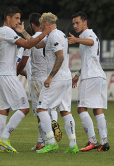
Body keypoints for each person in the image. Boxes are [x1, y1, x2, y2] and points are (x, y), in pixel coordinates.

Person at [0, 6, 51, 153]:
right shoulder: (7, 31)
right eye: (16, 18)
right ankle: (4, 138)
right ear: (8, 18)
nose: (18, 21)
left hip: (0, 75)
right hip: (8, 75)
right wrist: (45, 33)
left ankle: (0, 145)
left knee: (3, 109)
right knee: (24, 108)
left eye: (19, 18)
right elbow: (28, 44)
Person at [26, 12, 78, 153]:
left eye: (41, 24)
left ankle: (50, 142)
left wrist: (50, 77)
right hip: (66, 77)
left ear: (46, 24)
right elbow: (37, 45)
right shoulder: (58, 34)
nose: (40, 26)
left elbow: (59, 57)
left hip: (57, 78)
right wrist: (23, 33)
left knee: (41, 109)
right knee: (65, 111)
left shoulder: (54, 36)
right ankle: (73, 144)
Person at [16, 13, 61, 151]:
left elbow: (23, 61)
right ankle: (54, 121)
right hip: (50, 78)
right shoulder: (52, 36)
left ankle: (43, 141)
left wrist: (15, 73)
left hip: (36, 79)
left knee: (39, 113)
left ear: (32, 25)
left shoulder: (32, 40)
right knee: (50, 108)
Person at [68, 11, 110, 152]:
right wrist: (78, 74)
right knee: (97, 109)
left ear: (85, 22)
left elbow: (91, 41)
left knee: (81, 108)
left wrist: (77, 40)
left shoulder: (87, 34)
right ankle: (104, 141)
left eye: (77, 22)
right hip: (98, 76)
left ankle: (92, 141)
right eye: (73, 23)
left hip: (91, 77)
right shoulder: (86, 35)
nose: (75, 25)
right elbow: (89, 58)